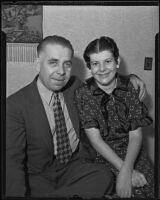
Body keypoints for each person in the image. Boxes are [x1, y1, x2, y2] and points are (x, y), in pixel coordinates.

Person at [6, 35, 145, 198]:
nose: (61, 72)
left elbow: (102, 80)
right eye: (53, 62)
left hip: (74, 166)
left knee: (104, 176)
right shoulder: (14, 105)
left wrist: (129, 79)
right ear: (38, 65)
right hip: (39, 176)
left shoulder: (75, 87)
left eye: (67, 64)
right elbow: (11, 161)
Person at [74, 36, 154, 198]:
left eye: (108, 61)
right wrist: (123, 171)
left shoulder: (129, 88)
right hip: (102, 155)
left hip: (133, 152)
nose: (102, 69)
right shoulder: (84, 94)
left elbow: (135, 136)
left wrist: (127, 169)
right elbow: (96, 141)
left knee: (147, 186)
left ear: (117, 62)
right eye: (95, 64)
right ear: (89, 67)